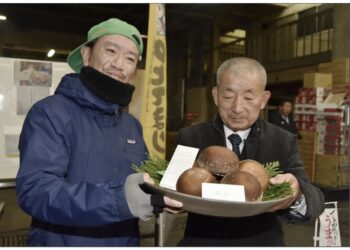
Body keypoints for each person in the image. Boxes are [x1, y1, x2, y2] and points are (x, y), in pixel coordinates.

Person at [16, 18, 182, 246]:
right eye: (111, 50)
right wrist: (118, 200)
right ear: (86, 55)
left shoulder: (131, 125)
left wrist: (165, 194)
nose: (119, 64)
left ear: (135, 70)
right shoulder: (50, 113)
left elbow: (141, 184)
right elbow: (36, 192)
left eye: (130, 58)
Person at [176, 57, 324, 246]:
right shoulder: (190, 137)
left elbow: (315, 200)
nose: (237, 108)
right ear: (215, 95)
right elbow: (173, 189)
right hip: (201, 241)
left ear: (263, 99)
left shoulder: (283, 141)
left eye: (248, 97)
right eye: (228, 96)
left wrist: (297, 193)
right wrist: (166, 199)